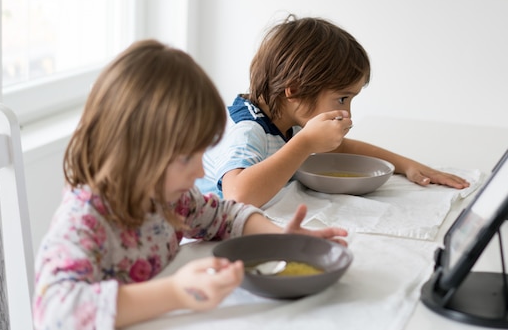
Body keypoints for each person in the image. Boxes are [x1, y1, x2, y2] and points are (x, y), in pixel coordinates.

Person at [32, 39, 348, 330]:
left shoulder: (171, 199)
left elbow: (223, 215)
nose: (200, 171)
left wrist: (279, 239)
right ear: (133, 151)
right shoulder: (84, 222)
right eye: (187, 158)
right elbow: (55, 311)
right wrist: (175, 293)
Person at [196, 15, 470, 208]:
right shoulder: (248, 130)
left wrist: (408, 165)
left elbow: (339, 148)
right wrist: (305, 143)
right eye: (342, 98)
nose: (347, 113)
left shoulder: (286, 117)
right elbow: (237, 195)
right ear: (295, 90)